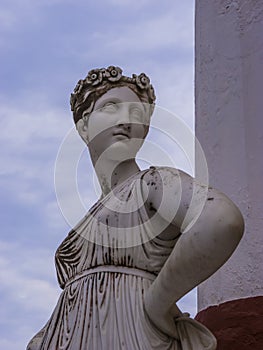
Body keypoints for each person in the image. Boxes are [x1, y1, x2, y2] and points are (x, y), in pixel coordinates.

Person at [27, 66, 244, 350]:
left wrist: (157, 303)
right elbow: (80, 294)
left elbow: (220, 220)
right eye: (111, 108)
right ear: (83, 126)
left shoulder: (153, 183)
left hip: (134, 335)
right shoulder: (85, 222)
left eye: (137, 114)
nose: (126, 121)